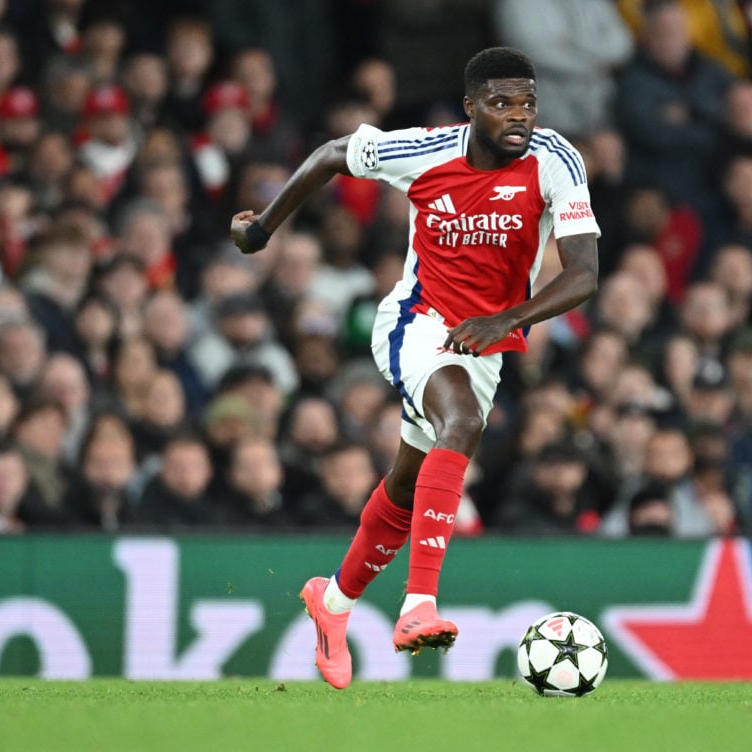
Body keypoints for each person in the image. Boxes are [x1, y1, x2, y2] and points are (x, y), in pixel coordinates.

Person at [230, 47, 599, 690]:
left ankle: (334, 603)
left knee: (406, 486)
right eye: (502, 103)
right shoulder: (423, 151)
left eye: (528, 103)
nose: (519, 116)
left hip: (484, 344)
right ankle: (418, 606)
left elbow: (585, 274)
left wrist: (506, 320)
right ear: (471, 107)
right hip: (417, 322)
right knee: (461, 422)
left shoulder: (556, 160)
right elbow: (327, 156)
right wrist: (264, 228)